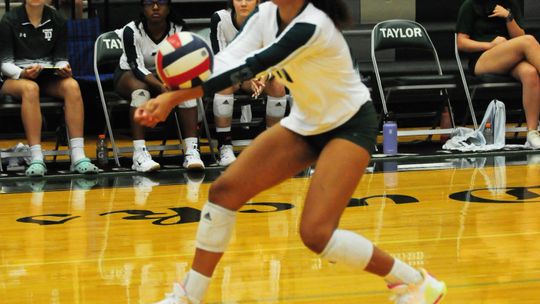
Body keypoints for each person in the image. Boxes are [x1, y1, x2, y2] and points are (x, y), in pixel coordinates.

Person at [137, 0, 447, 303]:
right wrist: (179, 84)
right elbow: (230, 59)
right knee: (224, 191)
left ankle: (417, 283)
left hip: (349, 123)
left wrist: (173, 99)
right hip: (306, 122)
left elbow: (248, 68)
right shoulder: (267, 13)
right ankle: (191, 296)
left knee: (316, 234)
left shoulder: (312, 26)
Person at [0, 0, 98, 177]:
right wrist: (23, 73)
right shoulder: (9, 19)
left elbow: (60, 57)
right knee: (30, 89)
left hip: (47, 76)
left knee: (72, 85)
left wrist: (63, 66)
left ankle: (78, 156)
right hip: (15, 78)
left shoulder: (57, 19)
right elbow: (5, 64)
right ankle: (37, 158)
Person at [114, 0, 205, 172]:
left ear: (169, 7)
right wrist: (161, 87)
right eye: (149, 3)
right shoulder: (131, 30)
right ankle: (139, 155)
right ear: (142, 7)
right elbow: (136, 66)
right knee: (141, 92)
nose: (155, 7)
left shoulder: (178, 29)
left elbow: (186, 61)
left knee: (186, 92)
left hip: (167, 75)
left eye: (161, 2)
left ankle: (192, 151)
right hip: (130, 74)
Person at [209, 0, 288, 166]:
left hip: (257, 74)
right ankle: (225, 146)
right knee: (224, 83)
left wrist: (262, 77)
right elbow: (220, 61)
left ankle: (271, 147)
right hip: (230, 75)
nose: (243, 3)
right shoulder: (220, 19)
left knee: (278, 85)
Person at [456, 0, 540, 149]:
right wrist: (491, 45)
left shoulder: (510, 4)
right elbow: (461, 43)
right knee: (529, 41)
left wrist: (508, 16)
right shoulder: (470, 5)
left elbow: (518, 36)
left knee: (530, 73)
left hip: (509, 58)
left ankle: (532, 133)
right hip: (483, 58)